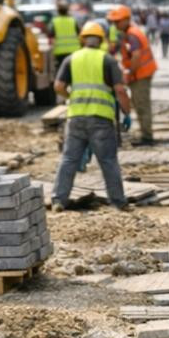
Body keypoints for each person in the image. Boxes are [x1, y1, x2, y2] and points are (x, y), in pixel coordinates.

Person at [52, 21, 132, 210]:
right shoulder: (108, 60)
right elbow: (120, 90)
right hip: (101, 119)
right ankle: (119, 203)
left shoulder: (72, 59)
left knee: (69, 160)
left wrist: (71, 97)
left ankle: (58, 200)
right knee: (108, 161)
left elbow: (58, 87)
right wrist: (127, 112)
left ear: (82, 39)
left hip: (76, 118)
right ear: (101, 40)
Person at [110, 5, 156, 145]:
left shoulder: (132, 34)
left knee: (142, 105)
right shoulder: (130, 33)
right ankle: (145, 133)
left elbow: (136, 56)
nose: (115, 24)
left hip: (141, 74)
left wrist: (129, 73)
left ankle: (147, 137)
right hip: (141, 73)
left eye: (117, 21)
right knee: (139, 103)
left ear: (126, 20)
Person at [51, 0, 81, 64]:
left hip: (60, 52)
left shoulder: (55, 22)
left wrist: (52, 52)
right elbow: (79, 35)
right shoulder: (73, 21)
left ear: (58, 10)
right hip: (74, 51)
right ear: (67, 10)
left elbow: (52, 39)